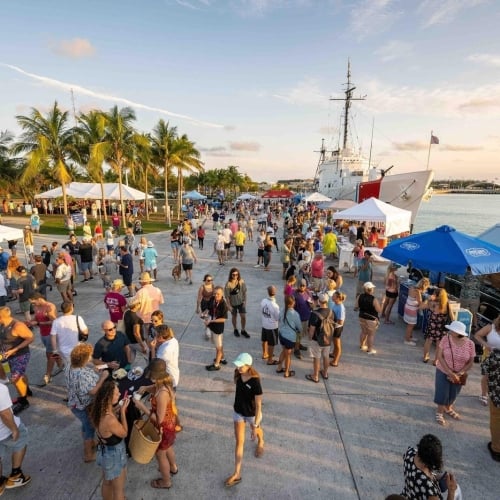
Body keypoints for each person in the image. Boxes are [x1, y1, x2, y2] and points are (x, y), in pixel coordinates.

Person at [134, 359, 178, 489]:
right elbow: (156, 388)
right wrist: (146, 388)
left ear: (154, 376)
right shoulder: (164, 383)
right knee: (168, 447)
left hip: (164, 428)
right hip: (170, 426)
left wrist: (142, 406)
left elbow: (158, 419)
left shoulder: (162, 395)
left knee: (160, 455)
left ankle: (166, 481)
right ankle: (173, 468)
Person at [224, 353, 264, 488]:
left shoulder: (255, 381)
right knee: (239, 442)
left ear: (248, 365)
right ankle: (237, 473)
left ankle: (261, 441)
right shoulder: (237, 374)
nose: (238, 367)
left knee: (257, 431)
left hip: (252, 415)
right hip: (238, 413)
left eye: (241, 365)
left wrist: (255, 424)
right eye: (238, 365)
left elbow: (259, 405)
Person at [67, 343, 108, 462]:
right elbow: (93, 391)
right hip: (83, 406)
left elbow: (87, 365)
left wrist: (96, 367)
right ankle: (88, 455)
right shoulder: (81, 375)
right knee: (89, 428)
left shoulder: (70, 365)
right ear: (83, 359)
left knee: (85, 425)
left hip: (74, 402)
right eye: (89, 356)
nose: (91, 358)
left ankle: (89, 443)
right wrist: (103, 377)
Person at [89, 380, 129, 500]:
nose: (120, 394)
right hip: (115, 454)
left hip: (106, 452)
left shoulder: (98, 409)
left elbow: (109, 416)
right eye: (116, 394)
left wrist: (117, 408)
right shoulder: (109, 420)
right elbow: (124, 433)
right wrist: (122, 412)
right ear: (108, 397)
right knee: (118, 490)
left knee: (107, 482)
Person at [434, 321, 475, 426]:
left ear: (458, 332)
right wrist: (449, 371)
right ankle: (439, 412)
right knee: (442, 392)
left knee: (454, 392)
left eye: (452, 330)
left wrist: (461, 373)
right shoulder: (445, 339)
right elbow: (439, 356)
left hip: (459, 374)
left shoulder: (470, 344)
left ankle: (448, 408)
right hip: (443, 370)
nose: (449, 331)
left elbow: (471, 362)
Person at [401, 434, 459, 500]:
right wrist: (451, 491)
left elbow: (419, 473)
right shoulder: (430, 491)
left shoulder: (409, 453)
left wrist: (433, 477)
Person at [0, 307, 34, 415]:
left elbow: (30, 338)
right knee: (20, 375)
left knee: (16, 378)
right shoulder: (2, 325)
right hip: (8, 355)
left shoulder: (17, 326)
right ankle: (26, 390)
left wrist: (15, 349)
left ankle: (23, 401)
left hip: (20, 354)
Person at [0, 382, 31, 491]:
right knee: (21, 441)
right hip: (4, 431)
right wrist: (14, 429)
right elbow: (5, 413)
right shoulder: (1, 389)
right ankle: (16, 476)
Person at [29, 292, 64, 386]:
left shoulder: (49, 306)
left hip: (51, 334)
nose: (33, 305)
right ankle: (61, 365)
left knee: (49, 355)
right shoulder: (36, 307)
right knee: (53, 352)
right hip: (43, 334)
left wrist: (39, 324)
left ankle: (48, 375)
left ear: (39, 299)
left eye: (33, 302)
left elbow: (54, 321)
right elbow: (36, 317)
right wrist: (30, 322)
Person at [305, 292, 333, 382]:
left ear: (319, 301)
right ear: (327, 301)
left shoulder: (315, 314)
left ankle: (315, 376)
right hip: (327, 338)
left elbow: (312, 329)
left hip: (317, 339)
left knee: (316, 358)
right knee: (326, 356)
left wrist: (310, 338)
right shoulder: (331, 312)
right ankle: (325, 373)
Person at [50, 301, 88, 367]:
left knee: (69, 366)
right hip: (77, 347)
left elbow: (53, 337)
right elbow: (85, 331)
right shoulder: (78, 318)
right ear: (72, 308)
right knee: (79, 365)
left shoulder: (56, 322)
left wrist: (55, 351)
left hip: (63, 350)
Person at [475, 315, 500, 406]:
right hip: (490, 355)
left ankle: (495, 394)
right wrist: (486, 344)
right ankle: (484, 394)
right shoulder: (490, 328)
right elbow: (477, 335)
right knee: (487, 375)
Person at [481, 347, 500, 462]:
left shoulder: (495, 354)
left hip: (497, 396)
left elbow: (484, 370)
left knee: (496, 420)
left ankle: (497, 449)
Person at [276, 295, 302, 378]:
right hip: (290, 338)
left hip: (281, 334)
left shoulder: (282, 310)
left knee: (283, 351)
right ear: (293, 303)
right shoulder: (295, 314)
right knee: (288, 355)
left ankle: (279, 368)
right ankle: (287, 372)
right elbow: (299, 327)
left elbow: (278, 319)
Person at [204, 287, 228, 371]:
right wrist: (205, 314)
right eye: (215, 293)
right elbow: (209, 309)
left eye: (218, 294)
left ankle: (217, 365)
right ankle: (222, 359)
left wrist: (212, 321)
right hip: (212, 326)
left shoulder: (223, 304)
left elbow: (224, 319)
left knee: (218, 348)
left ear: (222, 294)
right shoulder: (212, 299)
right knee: (219, 345)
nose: (216, 295)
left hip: (218, 329)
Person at [423, 288, 449, 364]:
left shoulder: (432, 302)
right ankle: (436, 360)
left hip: (432, 325)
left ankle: (425, 357)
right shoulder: (446, 304)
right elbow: (451, 315)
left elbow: (423, 306)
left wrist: (428, 299)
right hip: (441, 326)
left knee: (428, 341)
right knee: (439, 344)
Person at [356, 281, 382, 355]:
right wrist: (382, 302)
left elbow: (356, 307)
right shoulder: (374, 299)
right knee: (371, 335)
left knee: (363, 332)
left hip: (362, 316)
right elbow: (379, 310)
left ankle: (361, 346)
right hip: (371, 319)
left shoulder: (359, 296)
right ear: (371, 289)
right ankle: (369, 349)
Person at [403, 278, 430, 346]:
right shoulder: (417, 292)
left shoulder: (412, 287)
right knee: (410, 325)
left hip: (408, 307)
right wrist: (427, 300)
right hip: (412, 310)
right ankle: (407, 340)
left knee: (411, 324)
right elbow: (420, 304)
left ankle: (410, 337)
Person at [224, 268, 249, 338]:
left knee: (243, 317)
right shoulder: (228, 284)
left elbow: (244, 292)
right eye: (233, 274)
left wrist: (244, 302)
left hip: (241, 303)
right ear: (231, 275)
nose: (235, 276)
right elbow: (227, 296)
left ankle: (243, 330)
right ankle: (235, 329)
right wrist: (229, 306)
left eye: (236, 274)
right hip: (233, 304)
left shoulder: (241, 281)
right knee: (234, 317)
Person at [293, 279, 313, 359]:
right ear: (297, 285)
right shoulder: (294, 295)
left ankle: (298, 344)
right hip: (298, 318)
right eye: (300, 285)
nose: (302, 287)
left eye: (303, 285)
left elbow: (313, 305)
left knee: (302, 334)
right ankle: (296, 349)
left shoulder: (308, 293)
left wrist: (311, 304)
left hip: (306, 317)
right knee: (298, 334)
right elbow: (292, 307)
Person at [260, 286, 280, 364]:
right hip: (272, 326)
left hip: (264, 324)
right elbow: (277, 317)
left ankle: (265, 353)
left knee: (264, 340)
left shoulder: (263, 301)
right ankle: (270, 360)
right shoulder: (275, 305)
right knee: (271, 343)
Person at [459, 266, 481, 331]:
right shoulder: (479, 275)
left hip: (464, 296)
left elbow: (460, 280)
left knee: (463, 311)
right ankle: (475, 326)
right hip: (475, 297)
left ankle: (462, 326)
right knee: (474, 312)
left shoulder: (463, 273)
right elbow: (483, 282)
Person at [329, 291, 346, 367]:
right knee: (334, 342)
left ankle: (335, 361)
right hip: (333, 326)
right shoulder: (335, 304)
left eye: (334, 296)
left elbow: (341, 322)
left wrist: (332, 323)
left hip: (337, 328)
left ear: (338, 298)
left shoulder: (341, 308)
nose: (332, 297)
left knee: (337, 345)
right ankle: (333, 353)